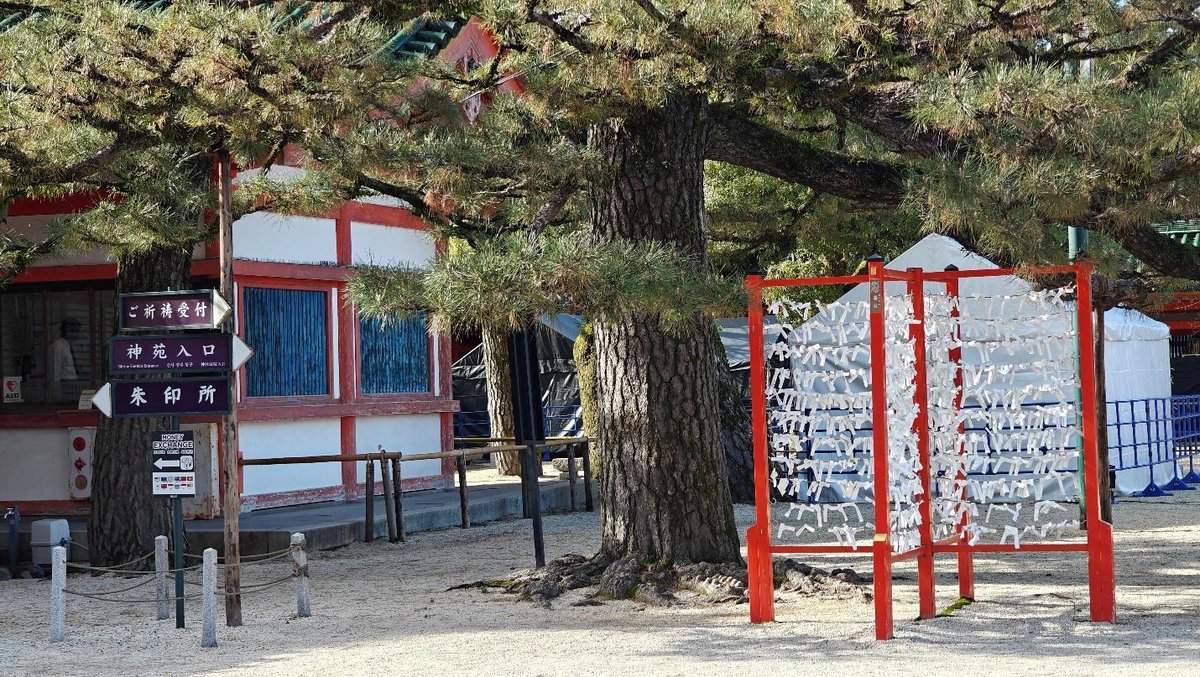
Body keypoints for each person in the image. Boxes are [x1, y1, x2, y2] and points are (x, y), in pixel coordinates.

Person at [50, 317, 80, 401]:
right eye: (73, 331)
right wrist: (57, 395)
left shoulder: (68, 346)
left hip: (73, 384)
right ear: (65, 331)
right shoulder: (58, 347)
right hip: (64, 384)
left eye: (77, 332)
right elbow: (55, 371)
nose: (76, 335)